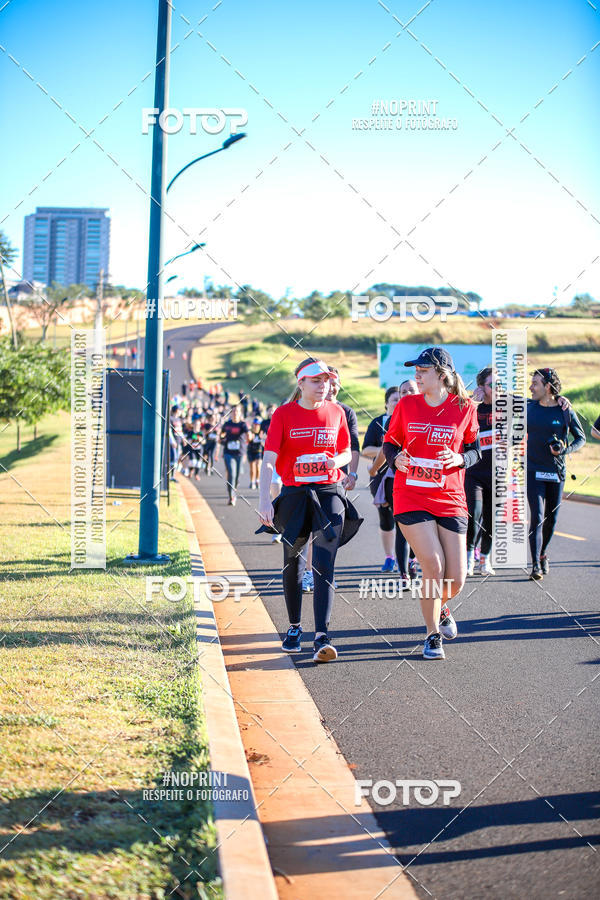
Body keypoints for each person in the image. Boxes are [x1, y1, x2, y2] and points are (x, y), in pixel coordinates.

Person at [256, 358, 362, 662]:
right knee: (293, 563)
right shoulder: (284, 414)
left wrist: (338, 463)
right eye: (316, 380)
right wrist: (264, 500)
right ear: (300, 383)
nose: (323, 385)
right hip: (295, 495)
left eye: (326, 380)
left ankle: (322, 636)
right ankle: (293, 627)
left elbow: (345, 451)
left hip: (329, 492)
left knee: (324, 565)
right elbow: (268, 460)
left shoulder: (338, 412)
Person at [383, 347, 481, 660]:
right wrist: (394, 458)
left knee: (457, 579)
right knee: (433, 565)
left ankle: (440, 606)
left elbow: (475, 450)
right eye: (416, 369)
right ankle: (431, 636)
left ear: (442, 374)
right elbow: (390, 443)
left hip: (450, 496)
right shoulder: (408, 404)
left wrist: (459, 458)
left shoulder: (464, 407)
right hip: (410, 493)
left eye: (423, 370)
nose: (416, 374)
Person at [301, 366, 360, 593]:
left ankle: (326, 572)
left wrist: (352, 473)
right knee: (310, 528)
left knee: (330, 530)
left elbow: (353, 446)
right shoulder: (310, 409)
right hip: (309, 479)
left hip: (336, 479)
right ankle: (309, 573)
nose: (331, 387)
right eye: (328, 381)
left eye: (335, 382)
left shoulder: (346, 411)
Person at [527, 368, 585, 580]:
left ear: (547, 387)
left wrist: (564, 450)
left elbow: (581, 438)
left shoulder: (565, 411)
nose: (531, 387)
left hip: (556, 472)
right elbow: (504, 400)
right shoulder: (528, 407)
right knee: (537, 518)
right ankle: (534, 565)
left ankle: (543, 554)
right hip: (533, 470)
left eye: (535, 383)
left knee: (552, 519)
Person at [363, 382, 419, 582]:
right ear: (387, 403)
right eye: (401, 393)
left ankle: (412, 560)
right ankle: (403, 571)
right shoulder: (388, 421)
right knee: (399, 523)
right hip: (394, 480)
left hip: (423, 481)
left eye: (411, 390)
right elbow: (382, 450)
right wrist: (375, 468)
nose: (406, 395)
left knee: (416, 526)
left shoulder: (430, 415)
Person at [466, 367, 497, 577]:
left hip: (497, 474)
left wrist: (559, 399)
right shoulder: (472, 407)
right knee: (474, 515)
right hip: (474, 472)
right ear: (481, 387)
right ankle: (468, 557)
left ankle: (485, 559)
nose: (498, 389)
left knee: (491, 518)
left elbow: (537, 403)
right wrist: (472, 402)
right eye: (493, 385)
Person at [218, 406, 249, 506]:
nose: (235, 413)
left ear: (240, 413)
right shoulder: (227, 424)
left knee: (237, 476)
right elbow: (221, 435)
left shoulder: (243, 424)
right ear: (231, 413)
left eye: (237, 411)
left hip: (239, 453)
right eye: (234, 411)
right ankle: (231, 496)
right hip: (228, 452)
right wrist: (221, 437)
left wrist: (249, 437)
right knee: (231, 473)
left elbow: (248, 435)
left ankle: (234, 491)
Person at [247, 417, 265, 489]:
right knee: (252, 467)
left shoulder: (262, 432)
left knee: (258, 467)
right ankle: (252, 482)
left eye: (257, 424)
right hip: (251, 451)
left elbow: (265, 441)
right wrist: (250, 436)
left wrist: (262, 438)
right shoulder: (250, 431)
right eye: (254, 424)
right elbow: (248, 440)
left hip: (259, 451)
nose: (256, 426)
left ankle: (257, 480)